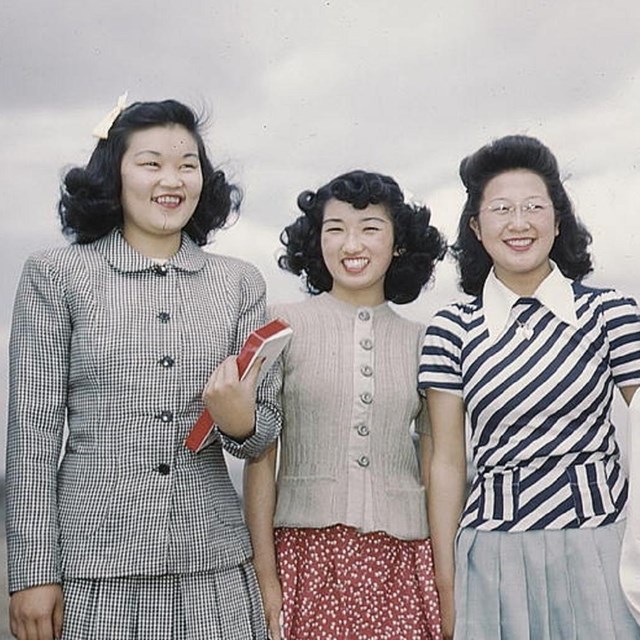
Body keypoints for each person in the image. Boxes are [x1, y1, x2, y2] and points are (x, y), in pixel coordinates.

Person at [5, 98, 282, 640]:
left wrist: (240, 420)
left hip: (215, 570)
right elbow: (32, 435)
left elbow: (261, 436)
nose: (171, 179)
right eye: (151, 163)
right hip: (93, 572)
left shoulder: (240, 282)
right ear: (114, 173)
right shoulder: (55, 275)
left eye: (187, 164)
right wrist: (33, 573)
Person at [419, 134, 640, 639]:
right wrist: (446, 582)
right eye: (500, 209)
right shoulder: (450, 329)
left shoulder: (611, 314)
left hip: (601, 548)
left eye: (533, 207)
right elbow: (448, 461)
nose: (518, 223)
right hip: (492, 557)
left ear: (558, 220)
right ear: (476, 226)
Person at [244, 170, 446, 639]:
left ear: (398, 244)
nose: (351, 244)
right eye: (335, 229)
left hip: (402, 563)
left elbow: (436, 465)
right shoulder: (280, 325)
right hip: (304, 559)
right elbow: (260, 459)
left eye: (370, 228)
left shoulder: (424, 341)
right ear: (316, 242)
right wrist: (265, 575)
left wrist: (441, 577)